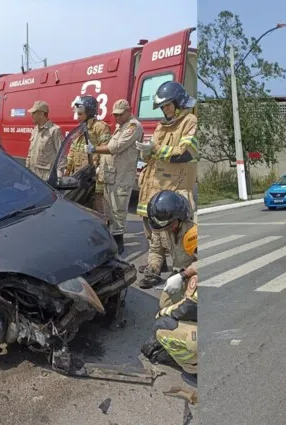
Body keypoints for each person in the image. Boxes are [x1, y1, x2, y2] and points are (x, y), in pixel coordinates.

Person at [135, 81, 197, 288]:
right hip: (155, 188)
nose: (165, 110)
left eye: (168, 105)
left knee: (179, 240)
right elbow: (154, 152)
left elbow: (185, 153)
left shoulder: (190, 121)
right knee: (156, 236)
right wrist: (145, 151)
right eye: (162, 107)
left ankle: (182, 274)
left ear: (178, 102)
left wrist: (156, 148)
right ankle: (154, 268)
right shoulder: (162, 125)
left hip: (176, 190)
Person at [140, 190, 197, 381]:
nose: (167, 230)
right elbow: (156, 250)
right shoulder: (161, 227)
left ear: (179, 219)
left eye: (170, 225)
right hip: (180, 273)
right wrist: (153, 270)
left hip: (194, 272)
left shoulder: (194, 229)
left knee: (185, 308)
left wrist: (185, 275)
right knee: (166, 304)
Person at [88, 99, 141, 254]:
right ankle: (112, 240)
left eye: (119, 114)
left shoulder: (133, 127)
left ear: (128, 111)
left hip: (122, 176)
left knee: (118, 210)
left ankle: (119, 245)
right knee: (109, 209)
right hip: (113, 175)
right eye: (115, 115)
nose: (116, 118)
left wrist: (94, 149)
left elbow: (115, 148)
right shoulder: (121, 126)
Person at [65, 96, 111, 211]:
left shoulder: (100, 127)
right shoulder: (81, 128)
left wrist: (99, 171)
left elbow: (107, 151)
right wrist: (67, 170)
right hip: (80, 175)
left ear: (89, 112)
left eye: (80, 114)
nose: (77, 117)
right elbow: (73, 149)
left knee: (96, 208)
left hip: (93, 177)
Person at [25, 101, 65, 181]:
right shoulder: (35, 129)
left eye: (34, 113)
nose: (31, 115)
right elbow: (30, 152)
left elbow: (62, 155)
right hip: (32, 175)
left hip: (45, 178)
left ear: (41, 114)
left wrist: (59, 177)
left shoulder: (54, 130)